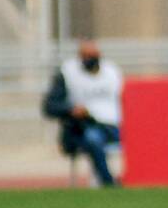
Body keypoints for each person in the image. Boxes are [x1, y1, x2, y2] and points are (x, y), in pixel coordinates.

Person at [41, 39, 124, 187]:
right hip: (83, 127)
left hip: (112, 126)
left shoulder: (111, 72)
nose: (88, 60)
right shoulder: (68, 73)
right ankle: (108, 182)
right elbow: (50, 106)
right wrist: (71, 110)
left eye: (92, 56)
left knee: (139, 137)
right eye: (85, 56)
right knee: (93, 138)